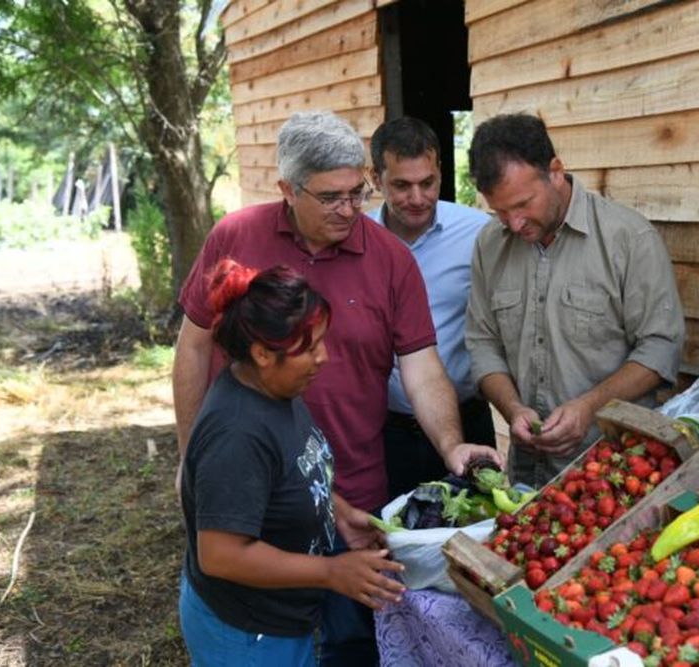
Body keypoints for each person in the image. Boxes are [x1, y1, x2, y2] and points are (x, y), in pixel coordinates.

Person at [173, 110, 502, 665]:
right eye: (330, 198)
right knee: (262, 620)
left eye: (358, 192)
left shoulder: (390, 257)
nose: (350, 210)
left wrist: (452, 447)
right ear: (286, 189)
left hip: (347, 486)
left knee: (351, 638)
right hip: (258, 492)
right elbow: (193, 346)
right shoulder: (236, 236)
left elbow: (420, 365)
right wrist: (190, 455)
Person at [179, 258, 405, 666]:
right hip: (247, 637)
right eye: (310, 347)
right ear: (263, 353)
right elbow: (219, 554)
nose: (324, 357)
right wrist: (330, 572)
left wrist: (339, 512)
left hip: (281, 621)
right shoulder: (236, 434)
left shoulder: (277, 390)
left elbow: (291, 469)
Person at [465, 113, 685, 488]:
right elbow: (482, 343)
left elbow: (661, 348)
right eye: (501, 211)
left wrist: (590, 406)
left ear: (555, 170)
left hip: (615, 472)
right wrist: (513, 408)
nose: (514, 224)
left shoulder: (628, 239)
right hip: (526, 471)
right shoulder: (490, 244)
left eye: (523, 204)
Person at [366, 116, 497, 499]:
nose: (418, 197)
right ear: (375, 178)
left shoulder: (477, 233)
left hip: (467, 420)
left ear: (440, 171)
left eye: (428, 183)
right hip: (384, 434)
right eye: (402, 186)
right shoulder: (357, 244)